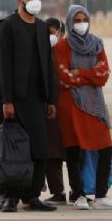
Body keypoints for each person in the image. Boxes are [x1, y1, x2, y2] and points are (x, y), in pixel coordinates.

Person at [0, 0, 58, 213]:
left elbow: (49, 66)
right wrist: (8, 100)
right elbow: (5, 66)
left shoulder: (42, 28)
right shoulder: (8, 26)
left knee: (40, 149)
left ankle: (32, 196)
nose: (36, 1)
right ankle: (10, 195)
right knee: (15, 149)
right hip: (15, 99)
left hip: (37, 98)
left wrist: (52, 99)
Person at [54, 5, 112, 210]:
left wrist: (81, 73)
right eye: (77, 20)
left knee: (106, 147)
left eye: (84, 19)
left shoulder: (97, 44)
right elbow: (64, 78)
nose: (81, 24)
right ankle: (80, 195)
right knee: (74, 150)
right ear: (69, 22)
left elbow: (104, 75)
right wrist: (90, 75)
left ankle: (101, 195)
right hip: (71, 104)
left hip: (95, 104)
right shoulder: (62, 47)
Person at [41, 17, 67, 204]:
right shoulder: (41, 54)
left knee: (75, 153)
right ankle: (58, 191)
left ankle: (79, 190)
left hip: (69, 107)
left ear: (61, 33)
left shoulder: (68, 52)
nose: (50, 37)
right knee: (52, 153)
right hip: (51, 108)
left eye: (52, 33)